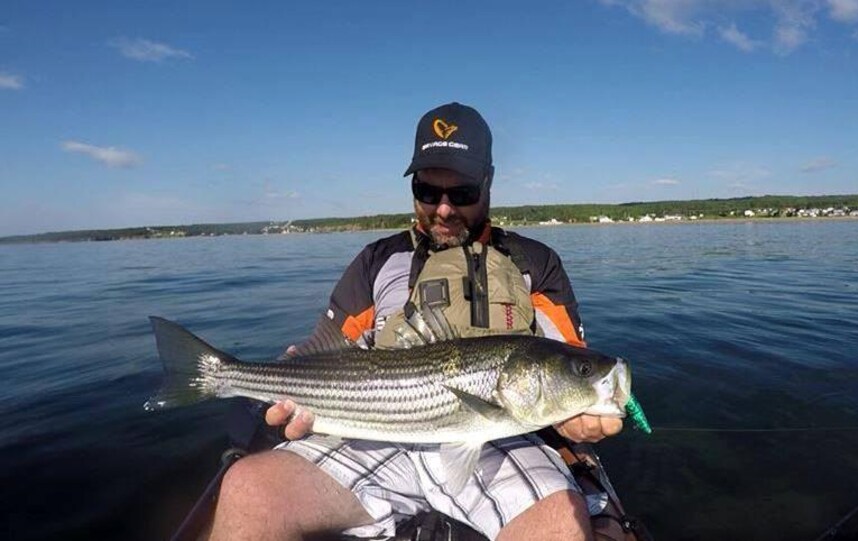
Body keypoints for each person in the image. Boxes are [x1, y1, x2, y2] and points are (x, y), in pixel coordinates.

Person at [209, 103, 624, 541]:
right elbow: (325, 351)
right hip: (373, 429)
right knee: (248, 488)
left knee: (561, 523)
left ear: (488, 182)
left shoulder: (535, 262)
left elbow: (570, 362)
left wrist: (575, 418)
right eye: (428, 191)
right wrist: (291, 384)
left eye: (461, 193)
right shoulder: (376, 261)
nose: (443, 210)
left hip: (501, 440)